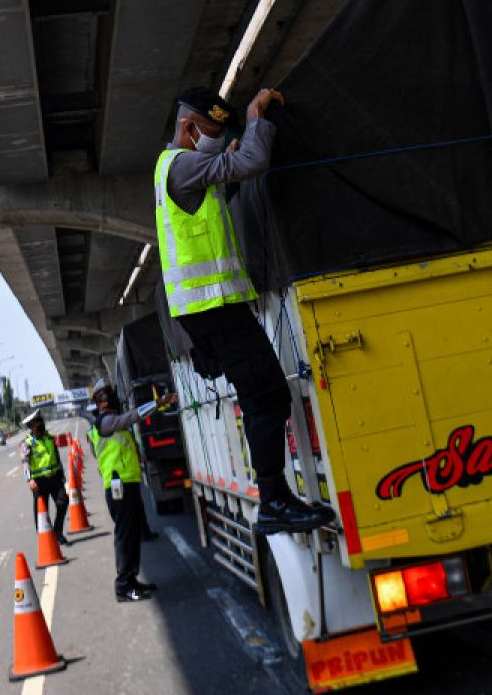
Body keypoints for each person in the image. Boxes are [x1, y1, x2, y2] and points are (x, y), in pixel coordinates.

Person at [153, 86, 334, 536]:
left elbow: (222, 177)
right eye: (211, 132)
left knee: (262, 396)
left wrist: (230, 150)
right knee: (267, 396)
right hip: (215, 309)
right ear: (188, 127)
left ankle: (276, 496)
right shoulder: (184, 163)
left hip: (207, 312)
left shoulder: (171, 167)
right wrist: (256, 117)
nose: (217, 139)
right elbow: (252, 164)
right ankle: (273, 499)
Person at [88, 378, 175, 602]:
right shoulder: (105, 422)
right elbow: (133, 416)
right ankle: (123, 586)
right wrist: (157, 404)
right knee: (126, 535)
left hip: (126, 484)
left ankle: (132, 580)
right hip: (119, 488)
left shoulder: (109, 424)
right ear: (104, 402)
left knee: (133, 532)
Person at [19, 409, 70, 546]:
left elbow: (57, 458)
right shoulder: (27, 443)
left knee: (63, 502)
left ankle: (57, 532)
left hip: (55, 478)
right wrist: (30, 479)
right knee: (41, 511)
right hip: (39, 482)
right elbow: (25, 463)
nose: (40, 423)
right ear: (31, 426)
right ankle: (45, 539)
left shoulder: (49, 438)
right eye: (37, 422)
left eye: (41, 420)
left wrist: (63, 477)